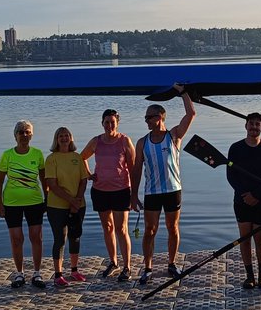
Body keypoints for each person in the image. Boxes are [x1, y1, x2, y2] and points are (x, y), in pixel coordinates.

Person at [131, 85, 195, 286]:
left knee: (172, 227)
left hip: (172, 190)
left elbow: (191, 114)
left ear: (159, 117)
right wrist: (133, 196)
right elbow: (136, 170)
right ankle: (148, 268)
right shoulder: (142, 142)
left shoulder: (174, 135)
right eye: (145, 118)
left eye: (148, 117)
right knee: (150, 230)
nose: (146, 121)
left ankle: (172, 263)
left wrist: (183, 92)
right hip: (152, 192)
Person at [81, 109, 136, 283]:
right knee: (108, 227)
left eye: (112, 122)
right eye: (106, 122)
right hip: (100, 191)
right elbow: (81, 157)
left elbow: (133, 168)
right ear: (102, 123)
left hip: (121, 190)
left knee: (121, 229)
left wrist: (134, 194)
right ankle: (113, 262)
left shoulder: (125, 141)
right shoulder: (96, 141)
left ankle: (127, 266)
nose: (109, 125)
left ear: (117, 123)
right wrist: (89, 174)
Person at [0, 120, 47, 288]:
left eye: (27, 132)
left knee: (36, 237)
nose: (24, 135)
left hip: (35, 202)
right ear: (15, 136)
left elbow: (44, 179)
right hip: (11, 203)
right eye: (21, 132)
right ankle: (19, 274)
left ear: (31, 135)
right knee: (17, 239)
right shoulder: (7, 155)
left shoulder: (37, 154)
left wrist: (47, 199)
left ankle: (37, 273)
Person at [227, 112, 261, 289]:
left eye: (257, 124)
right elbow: (231, 176)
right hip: (241, 200)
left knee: (260, 239)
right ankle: (249, 276)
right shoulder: (235, 148)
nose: (254, 127)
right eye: (251, 124)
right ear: (246, 126)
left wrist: (255, 195)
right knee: (245, 238)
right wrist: (244, 194)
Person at [45, 127, 91, 285]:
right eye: (61, 136)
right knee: (60, 239)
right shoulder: (51, 159)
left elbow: (83, 181)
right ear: (56, 140)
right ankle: (58, 275)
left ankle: (74, 270)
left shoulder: (77, 157)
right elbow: (52, 184)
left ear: (71, 138)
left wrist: (77, 200)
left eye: (67, 136)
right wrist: (71, 200)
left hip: (78, 205)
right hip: (57, 206)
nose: (64, 138)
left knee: (75, 236)